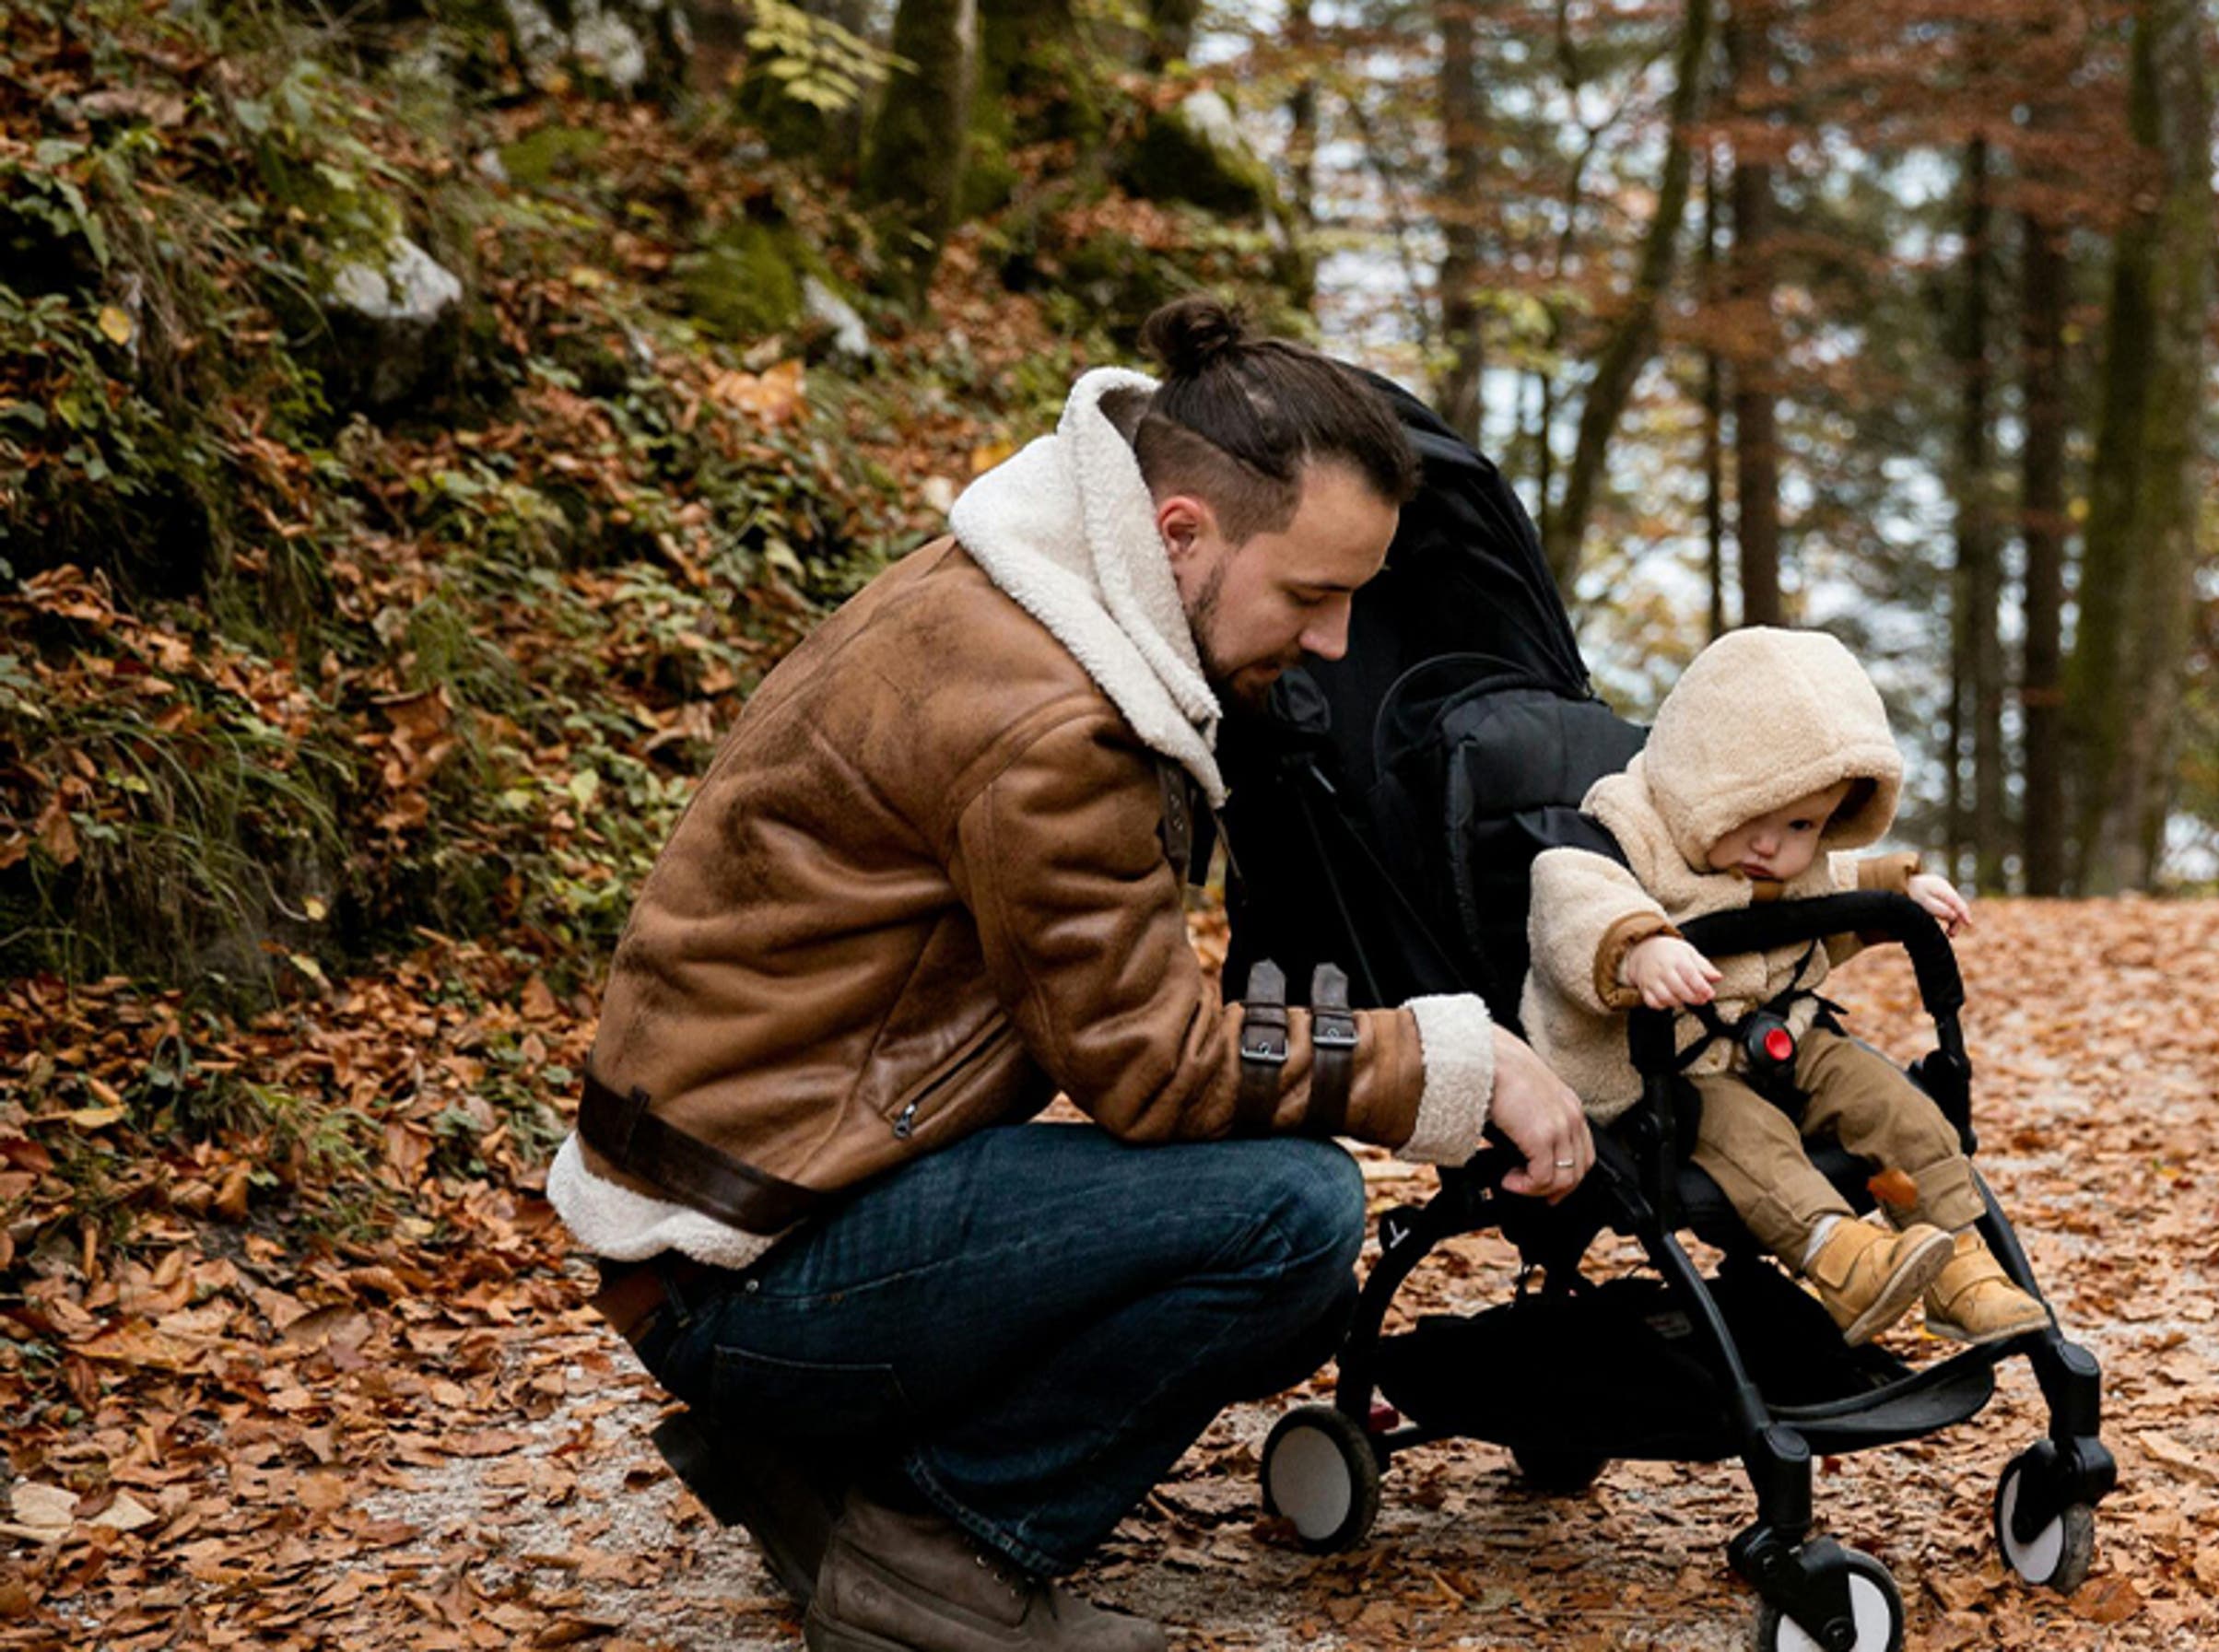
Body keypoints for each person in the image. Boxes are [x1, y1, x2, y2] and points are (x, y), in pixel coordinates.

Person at [547, 295, 1594, 1652]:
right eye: (1314, 593)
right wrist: (1457, 1061)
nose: (1334, 640)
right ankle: (946, 1553)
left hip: (727, 1210)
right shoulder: (1054, 718)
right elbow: (1148, 1071)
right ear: (1183, 532)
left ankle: (815, 1480)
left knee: (1253, 1215)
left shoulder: (1010, 588)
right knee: (1288, 1219)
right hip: (742, 1270)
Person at [1519, 627, 2051, 1347]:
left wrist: (1901, 889)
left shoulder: (1786, 859)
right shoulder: (1624, 828)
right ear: (1699, 782)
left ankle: (1958, 1257)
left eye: (1802, 823)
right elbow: (1570, 897)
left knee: (1894, 1099)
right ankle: (1842, 1258)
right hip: (1673, 1072)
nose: (1774, 847)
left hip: (1784, 1036)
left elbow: (1831, 889)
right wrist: (1638, 946)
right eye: (1752, 818)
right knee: (1752, 1135)